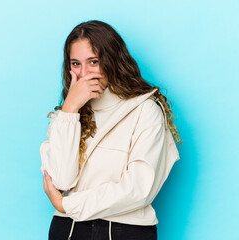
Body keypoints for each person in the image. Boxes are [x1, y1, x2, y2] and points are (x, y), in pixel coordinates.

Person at [40, 20, 182, 240]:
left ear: (112, 60)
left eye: (93, 61)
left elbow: (138, 189)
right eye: (76, 64)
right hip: (66, 228)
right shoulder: (67, 115)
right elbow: (61, 181)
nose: (85, 73)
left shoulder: (145, 110)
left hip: (124, 230)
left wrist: (68, 204)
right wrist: (69, 109)